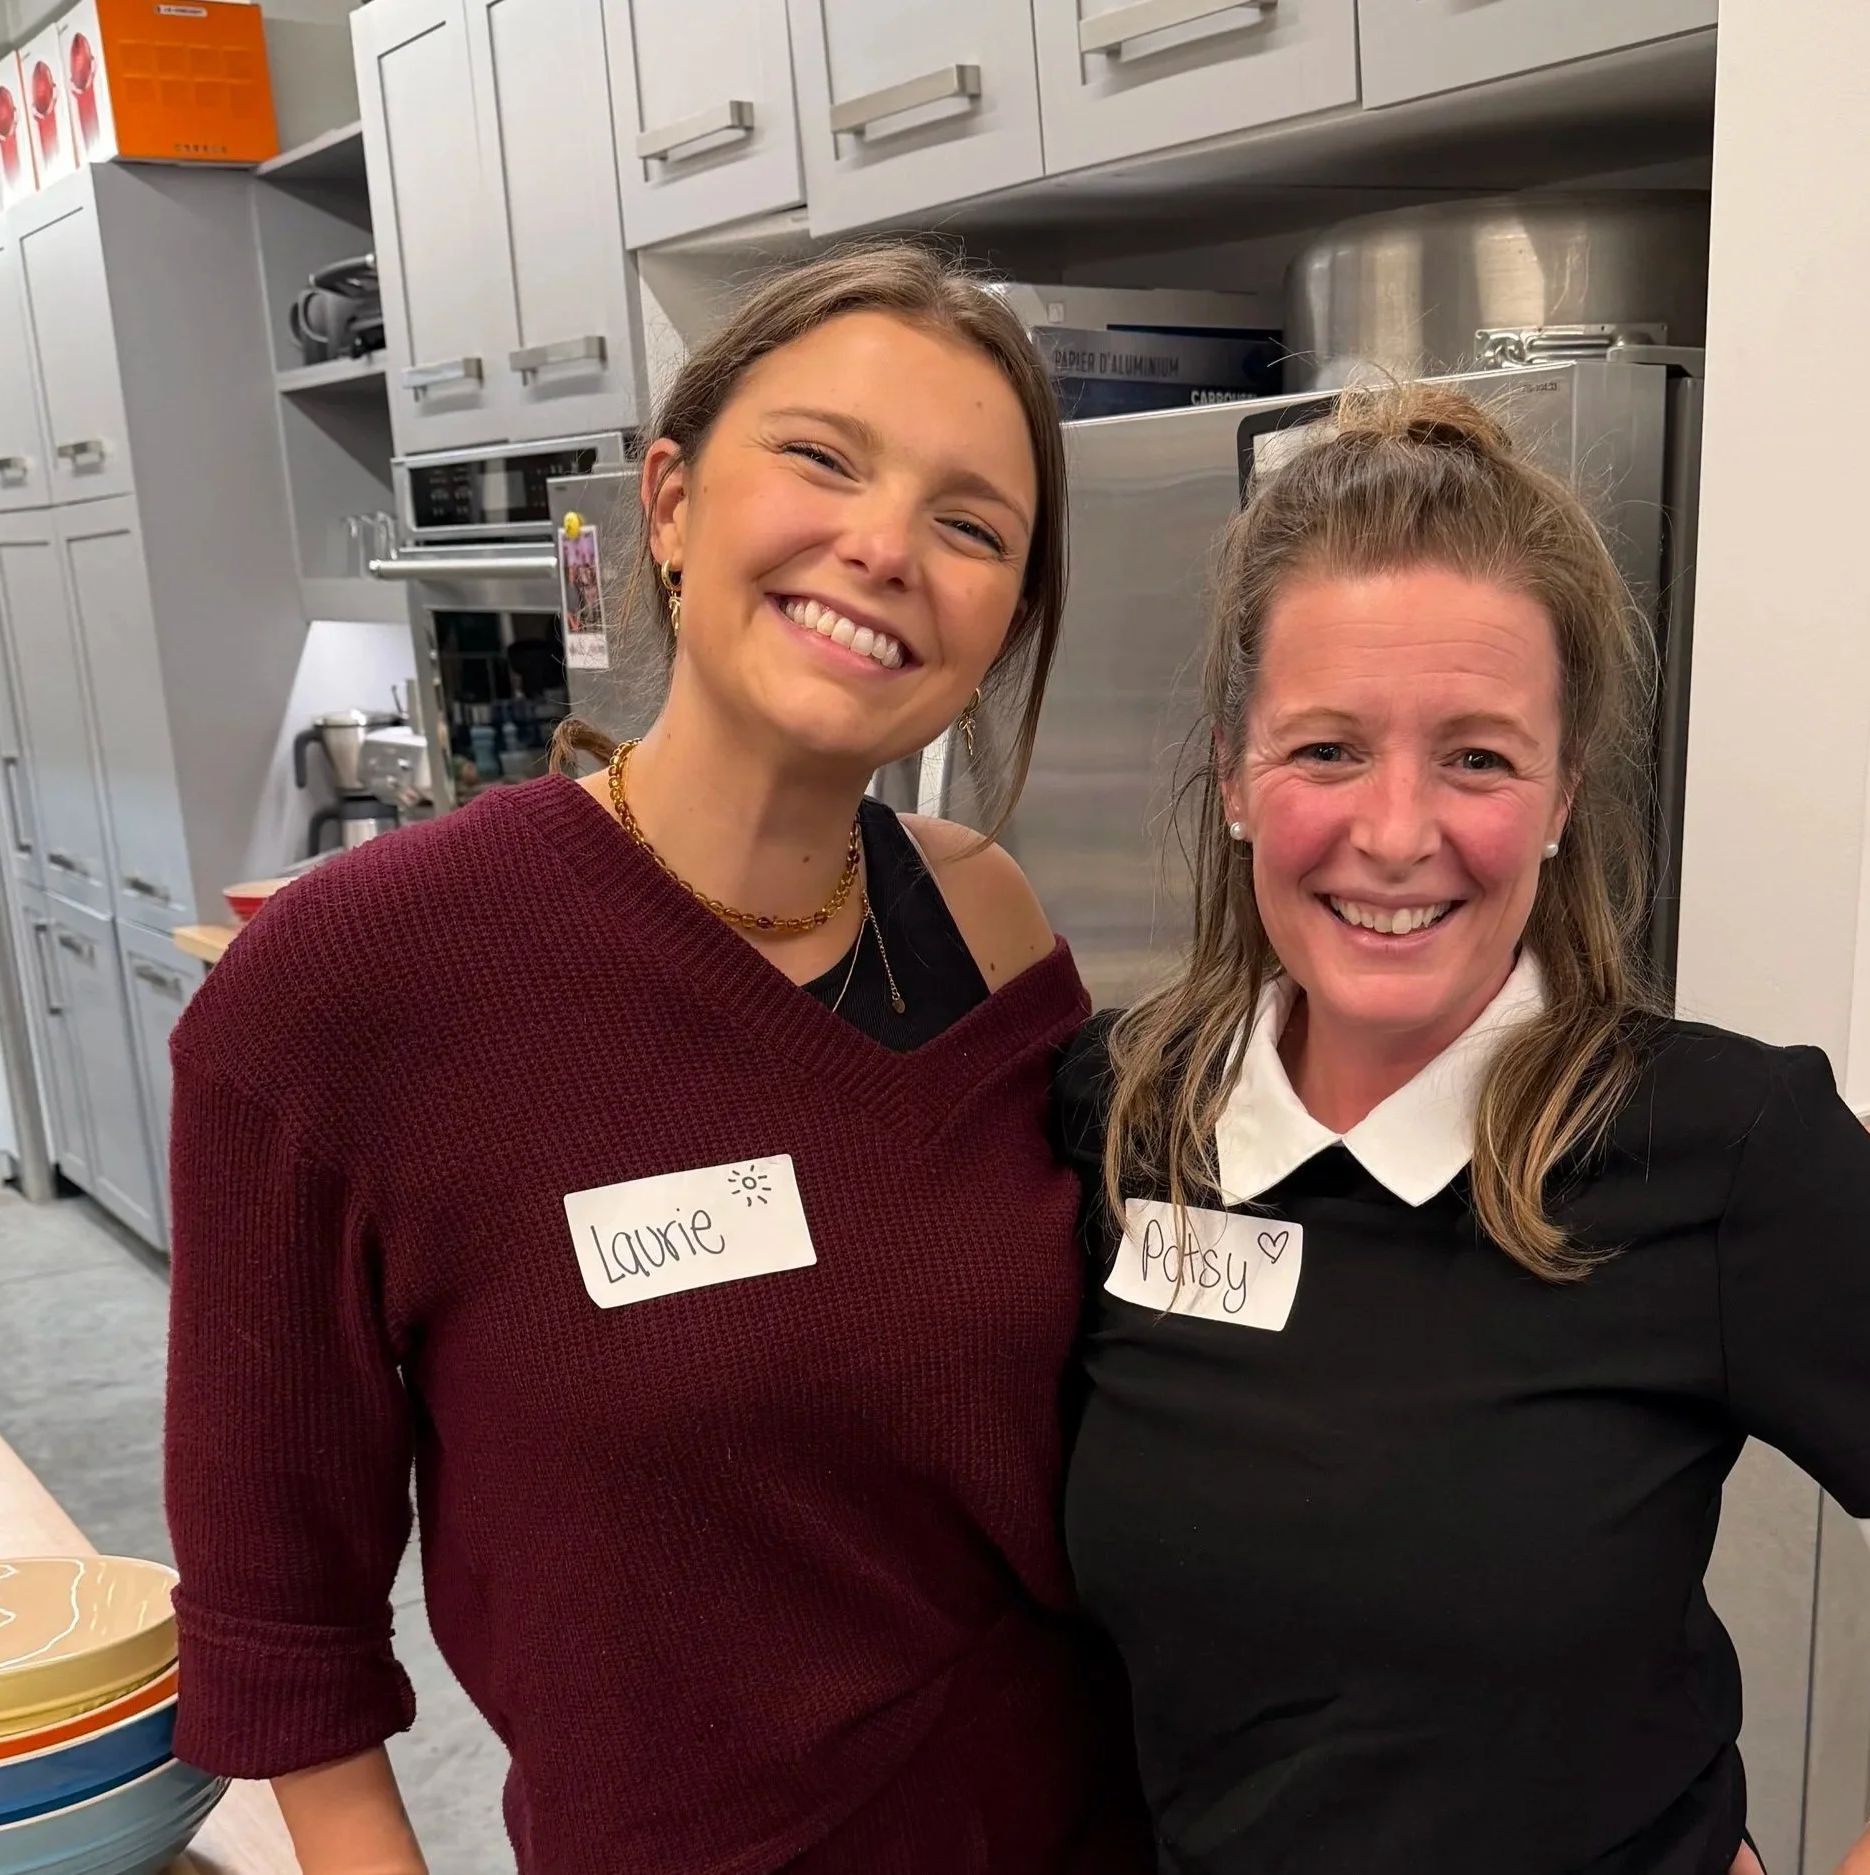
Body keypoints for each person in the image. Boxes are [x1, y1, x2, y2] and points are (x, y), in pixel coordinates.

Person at [1052, 385, 1870, 1874]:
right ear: (1233, 776)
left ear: (1561, 796)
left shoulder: (1715, 1144)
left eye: (1478, 757)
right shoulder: (1128, 1113)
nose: (1394, 831)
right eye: (1325, 749)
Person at [165, 246, 1144, 1875]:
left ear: (1005, 620)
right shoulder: (349, 987)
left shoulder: (987, 926)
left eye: (973, 525)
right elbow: (281, 1625)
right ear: (673, 501)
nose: (886, 546)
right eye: (822, 457)